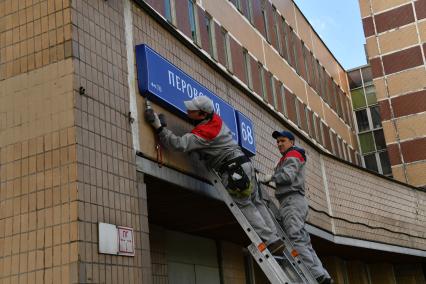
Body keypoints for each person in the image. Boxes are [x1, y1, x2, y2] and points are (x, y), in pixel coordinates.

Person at [145, 96, 284, 254]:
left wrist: (158, 127)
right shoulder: (215, 119)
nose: (187, 111)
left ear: (203, 114)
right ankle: (275, 238)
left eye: (192, 110)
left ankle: (271, 241)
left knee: (245, 205)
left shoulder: (204, 133)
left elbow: (178, 144)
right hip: (245, 164)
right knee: (256, 202)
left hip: (233, 171)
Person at [259, 130, 333, 284]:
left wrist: (270, 177)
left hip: (291, 201)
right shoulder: (290, 156)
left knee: (296, 239)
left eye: (283, 141)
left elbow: (287, 176)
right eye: (278, 141)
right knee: (303, 240)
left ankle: (315, 275)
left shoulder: (292, 155)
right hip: (295, 201)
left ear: (291, 142)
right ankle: (321, 274)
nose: (279, 144)